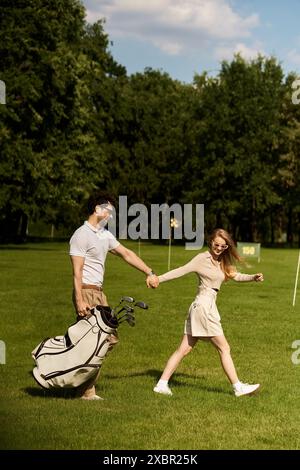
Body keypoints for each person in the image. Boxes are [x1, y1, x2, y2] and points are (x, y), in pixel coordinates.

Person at [152, 228, 263, 398]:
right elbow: (181, 270)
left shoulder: (222, 261)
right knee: (224, 347)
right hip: (203, 307)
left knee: (184, 349)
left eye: (223, 246)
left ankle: (161, 384)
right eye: (217, 245)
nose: (219, 248)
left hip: (202, 307)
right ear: (211, 242)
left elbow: (235, 275)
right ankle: (238, 387)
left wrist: (253, 277)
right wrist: (158, 279)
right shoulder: (202, 258)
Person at [69, 192, 159, 400]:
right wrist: (79, 300)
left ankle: (78, 381)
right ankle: (85, 390)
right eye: (108, 210)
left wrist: (149, 271)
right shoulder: (81, 234)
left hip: (99, 294)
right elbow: (77, 272)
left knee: (108, 339)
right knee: (97, 341)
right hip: (86, 292)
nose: (111, 214)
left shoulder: (103, 235)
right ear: (97, 209)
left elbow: (126, 254)